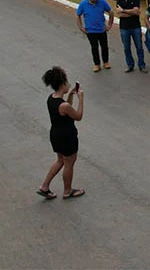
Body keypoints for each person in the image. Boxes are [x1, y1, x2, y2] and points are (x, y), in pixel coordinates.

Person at [37, 66, 85, 200]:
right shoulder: (64, 106)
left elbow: (65, 110)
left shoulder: (51, 99)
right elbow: (77, 115)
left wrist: (70, 95)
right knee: (69, 162)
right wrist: (81, 98)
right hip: (67, 137)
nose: (68, 84)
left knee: (60, 160)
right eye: (67, 82)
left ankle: (44, 186)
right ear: (62, 84)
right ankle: (68, 190)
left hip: (56, 135)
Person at [76, 0, 114, 73]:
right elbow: (78, 15)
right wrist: (81, 27)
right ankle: (97, 64)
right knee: (94, 47)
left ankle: (106, 62)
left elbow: (111, 12)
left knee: (104, 46)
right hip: (90, 31)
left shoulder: (102, 2)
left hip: (101, 29)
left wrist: (110, 24)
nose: (97, 0)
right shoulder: (83, 4)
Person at [115, 0, 146, 73]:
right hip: (124, 27)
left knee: (139, 47)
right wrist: (132, 12)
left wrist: (124, 10)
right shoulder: (119, 0)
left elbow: (137, 11)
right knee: (126, 48)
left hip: (135, 26)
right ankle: (130, 65)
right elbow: (120, 15)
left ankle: (142, 65)